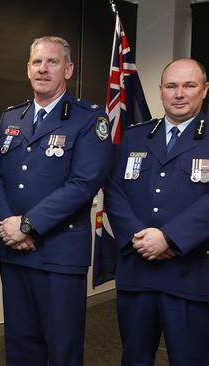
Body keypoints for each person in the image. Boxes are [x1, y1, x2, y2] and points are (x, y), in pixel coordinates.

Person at [0, 36, 113, 366]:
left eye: (52, 62)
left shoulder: (89, 119)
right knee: (20, 345)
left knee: (61, 348)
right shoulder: (12, 118)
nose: (43, 69)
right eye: (37, 62)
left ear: (68, 69)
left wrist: (28, 225)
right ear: (28, 69)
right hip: (14, 252)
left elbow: (83, 184)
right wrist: (8, 227)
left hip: (59, 254)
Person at [105, 58, 209, 365]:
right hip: (138, 273)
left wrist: (170, 238)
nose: (179, 94)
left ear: (204, 91)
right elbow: (113, 188)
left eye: (189, 86)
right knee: (134, 358)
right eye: (171, 86)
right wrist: (140, 238)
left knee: (190, 359)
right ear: (161, 91)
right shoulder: (135, 136)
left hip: (190, 276)